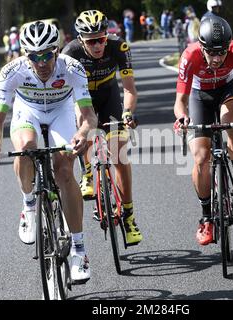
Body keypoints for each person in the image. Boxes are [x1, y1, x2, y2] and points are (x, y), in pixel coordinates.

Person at [0, 21, 97, 284]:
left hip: (61, 112)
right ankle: (28, 204)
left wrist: (82, 133)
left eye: (47, 54)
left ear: (56, 50)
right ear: (25, 54)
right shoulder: (12, 72)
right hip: (28, 112)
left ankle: (80, 251)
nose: (42, 62)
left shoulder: (72, 68)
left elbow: (89, 115)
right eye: (34, 56)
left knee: (64, 168)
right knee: (24, 149)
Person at [173, 16, 233, 246]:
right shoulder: (189, 56)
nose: (218, 58)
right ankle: (206, 218)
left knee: (230, 119)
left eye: (222, 52)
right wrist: (182, 118)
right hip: (200, 96)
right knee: (201, 157)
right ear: (201, 47)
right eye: (212, 53)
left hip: (229, 88)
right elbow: (180, 101)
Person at [62, 10, 143, 245]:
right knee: (83, 123)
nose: (98, 45)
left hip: (109, 96)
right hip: (81, 97)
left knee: (119, 152)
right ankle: (88, 173)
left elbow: (129, 88)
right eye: (91, 41)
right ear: (80, 40)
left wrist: (127, 113)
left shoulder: (119, 47)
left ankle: (128, 216)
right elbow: (66, 94)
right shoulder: (70, 53)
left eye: (101, 39)